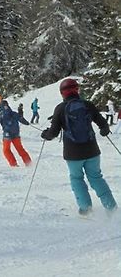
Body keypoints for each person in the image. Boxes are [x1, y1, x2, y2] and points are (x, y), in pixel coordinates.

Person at [41, 78, 117, 216]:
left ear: (62, 93)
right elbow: (102, 123)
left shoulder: (60, 108)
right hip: (92, 150)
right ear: (77, 90)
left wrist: (46, 134)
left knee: (77, 178)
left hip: (72, 153)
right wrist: (104, 130)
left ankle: (85, 209)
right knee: (96, 177)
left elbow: (53, 133)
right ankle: (111, 207)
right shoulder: (87, 105)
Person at [0, 100, 31, 167]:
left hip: (7, 135)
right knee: (20, 148)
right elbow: (21, 119)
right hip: (16, 134)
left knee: (6, 150)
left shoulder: (0, 115)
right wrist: (27, 123)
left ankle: (13, 164)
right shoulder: (14, 113)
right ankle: (28, 162)